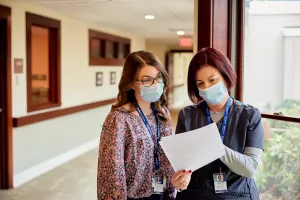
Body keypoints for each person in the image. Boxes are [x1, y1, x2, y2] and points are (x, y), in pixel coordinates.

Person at [171, 47, 264, 200]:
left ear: (226, 77)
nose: (206, 87)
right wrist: (181, 179)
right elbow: (182, 164)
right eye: (200, 83)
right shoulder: (187, 115)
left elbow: (250, 168)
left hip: (237, 195)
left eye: (212, 80)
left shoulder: (250, 115)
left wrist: (214, 147)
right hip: (197, 195)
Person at [97, 50, 176, 200]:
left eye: (158, 78)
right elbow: (111, 175)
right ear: (132, 83)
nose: (155, 84)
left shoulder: (162, 112)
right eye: (147, 80)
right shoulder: (118, 120)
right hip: (136, 196)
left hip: (164, 191)